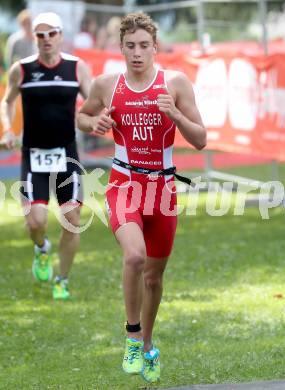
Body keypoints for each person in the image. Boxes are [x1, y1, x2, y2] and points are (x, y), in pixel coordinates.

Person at [77, 12, 206, 383]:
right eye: (130, 46)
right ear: (121, 48)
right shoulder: (106, 85)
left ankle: (148, 344)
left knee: (153, 277)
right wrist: (95, 123)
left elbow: (201, 139)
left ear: (155, 47)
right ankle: (133, 337)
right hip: (123, 185)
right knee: (134, 256)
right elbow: (83, 119)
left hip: (163, 191)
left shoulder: (175, 84)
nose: (137, 53)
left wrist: (177, 116)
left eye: (143, 46)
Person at [0, 12, 91, 300]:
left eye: (52, 33)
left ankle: (62, 279)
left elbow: (93, 100)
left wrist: (93, 117)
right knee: (36, 222)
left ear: (61, 35)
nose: (46, 39)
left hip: (67, 154)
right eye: (41, 35)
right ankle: (41, 248)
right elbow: (8, 101)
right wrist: (7, 130)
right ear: (34, 38)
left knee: (72, 218)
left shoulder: (76, 68)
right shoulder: (22, 69)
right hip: (34, 155)